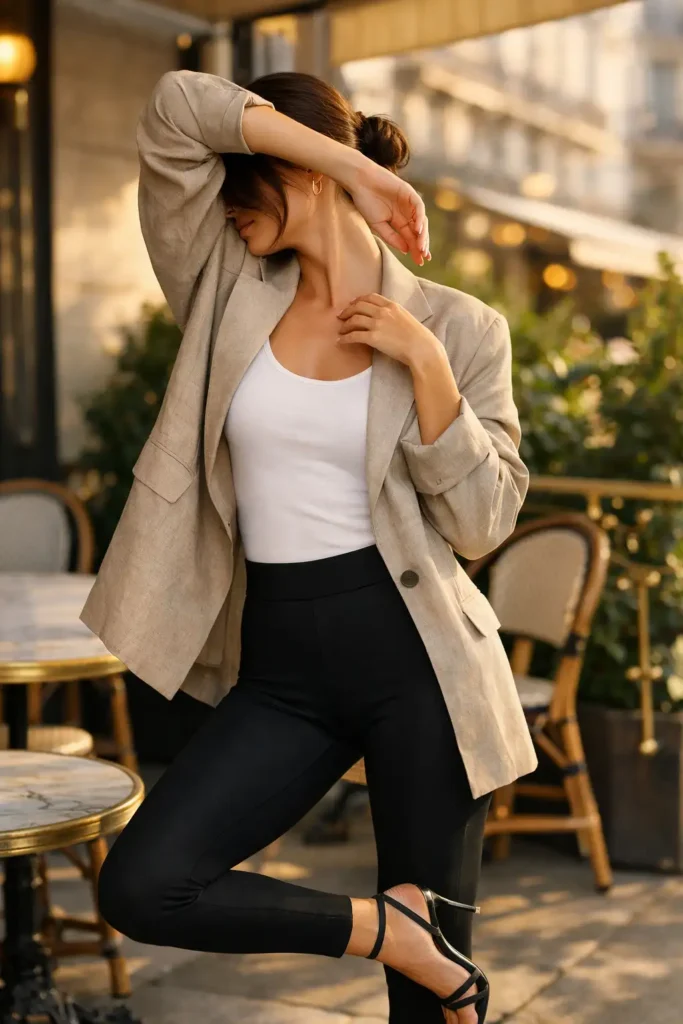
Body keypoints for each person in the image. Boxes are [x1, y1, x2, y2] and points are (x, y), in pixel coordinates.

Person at [84, 68, 538, 1024]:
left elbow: (484, 525)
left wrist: (425, 369)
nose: (222, 199)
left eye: (243, 177)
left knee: (429, 1010)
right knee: (145, 883)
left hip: (423, 666)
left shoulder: (459, 325)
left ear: (296, 179)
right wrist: (353, 169)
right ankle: (387, 929)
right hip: (282, 671)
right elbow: (172, 106)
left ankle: (415, 952)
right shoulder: (222, 285)